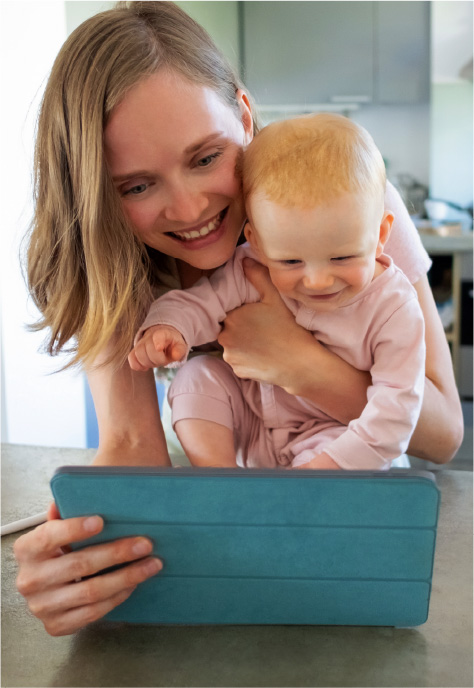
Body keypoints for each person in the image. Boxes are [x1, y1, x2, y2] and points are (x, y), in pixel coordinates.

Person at [14, 1, 462, 637]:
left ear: (245, 117)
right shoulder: (112, 258)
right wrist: (83, 561)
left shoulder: (342, 204)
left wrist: (298, 363)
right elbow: (134, 444)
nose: (189, 207)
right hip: (241, 491)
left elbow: (443, 433)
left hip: (356, 496)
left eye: (205, 157)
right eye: (136, 186)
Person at [129, 114, 426, 471]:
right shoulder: (252, 267)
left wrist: (323, 469)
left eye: (342, 257)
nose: (317, 281)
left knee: (356, 455)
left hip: (335, 438)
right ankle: (219, 481)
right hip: (253, 425)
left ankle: (297, 491)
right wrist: (170, 327)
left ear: (380, 235)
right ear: (257, 243)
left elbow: (396, 409)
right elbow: (200, 303)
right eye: (291, 261)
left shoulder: (394, 307)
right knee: (196, 376)